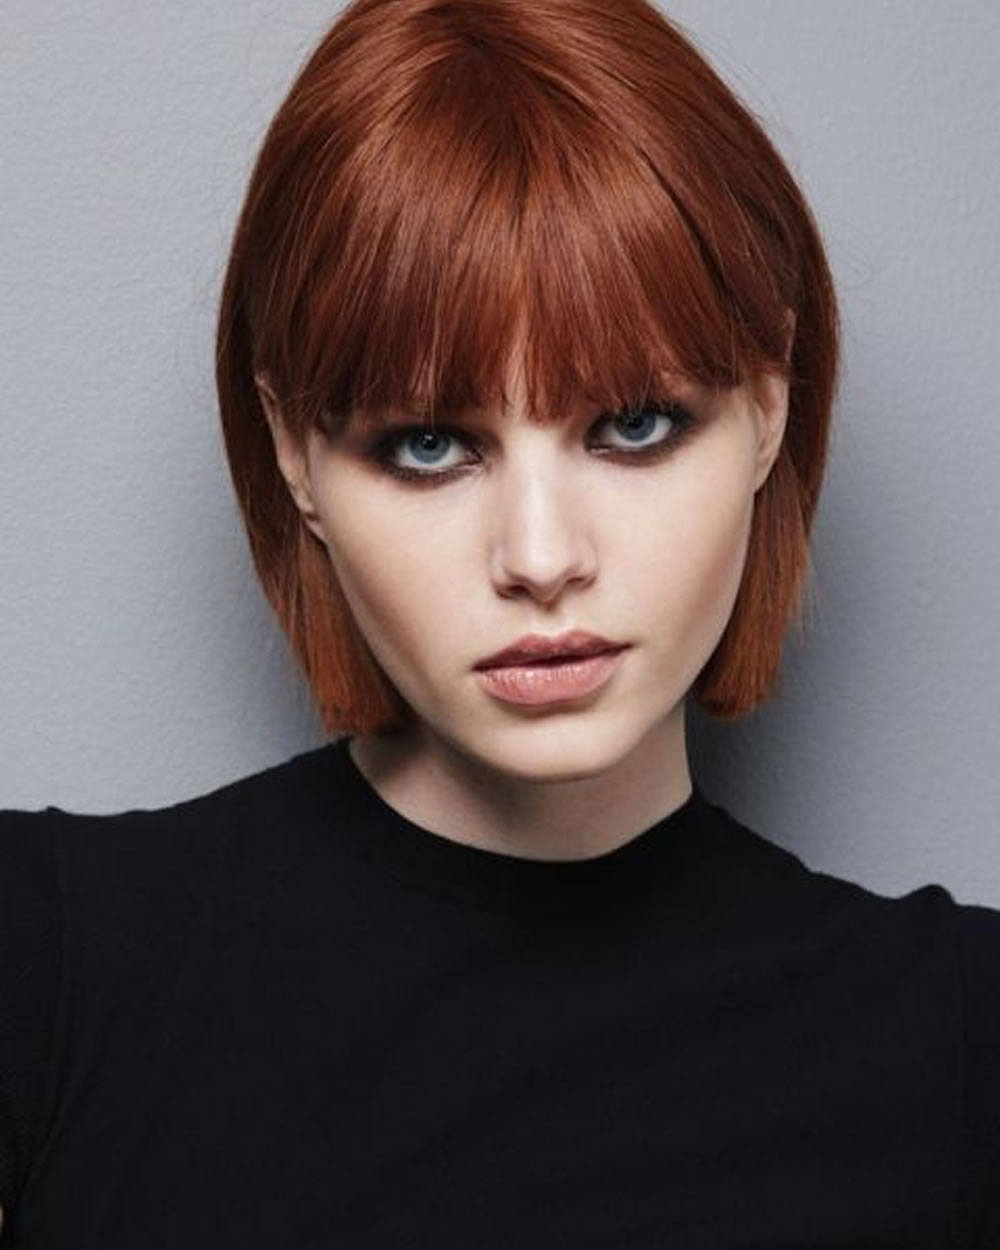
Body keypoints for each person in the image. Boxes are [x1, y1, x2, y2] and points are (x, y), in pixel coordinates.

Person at [1, 0, 997, 1245]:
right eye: (429, 444)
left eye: (633, 425)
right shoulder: (43, 962)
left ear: (768, 407)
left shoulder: (959, 1043)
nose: (540, 557)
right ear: (294, 455)